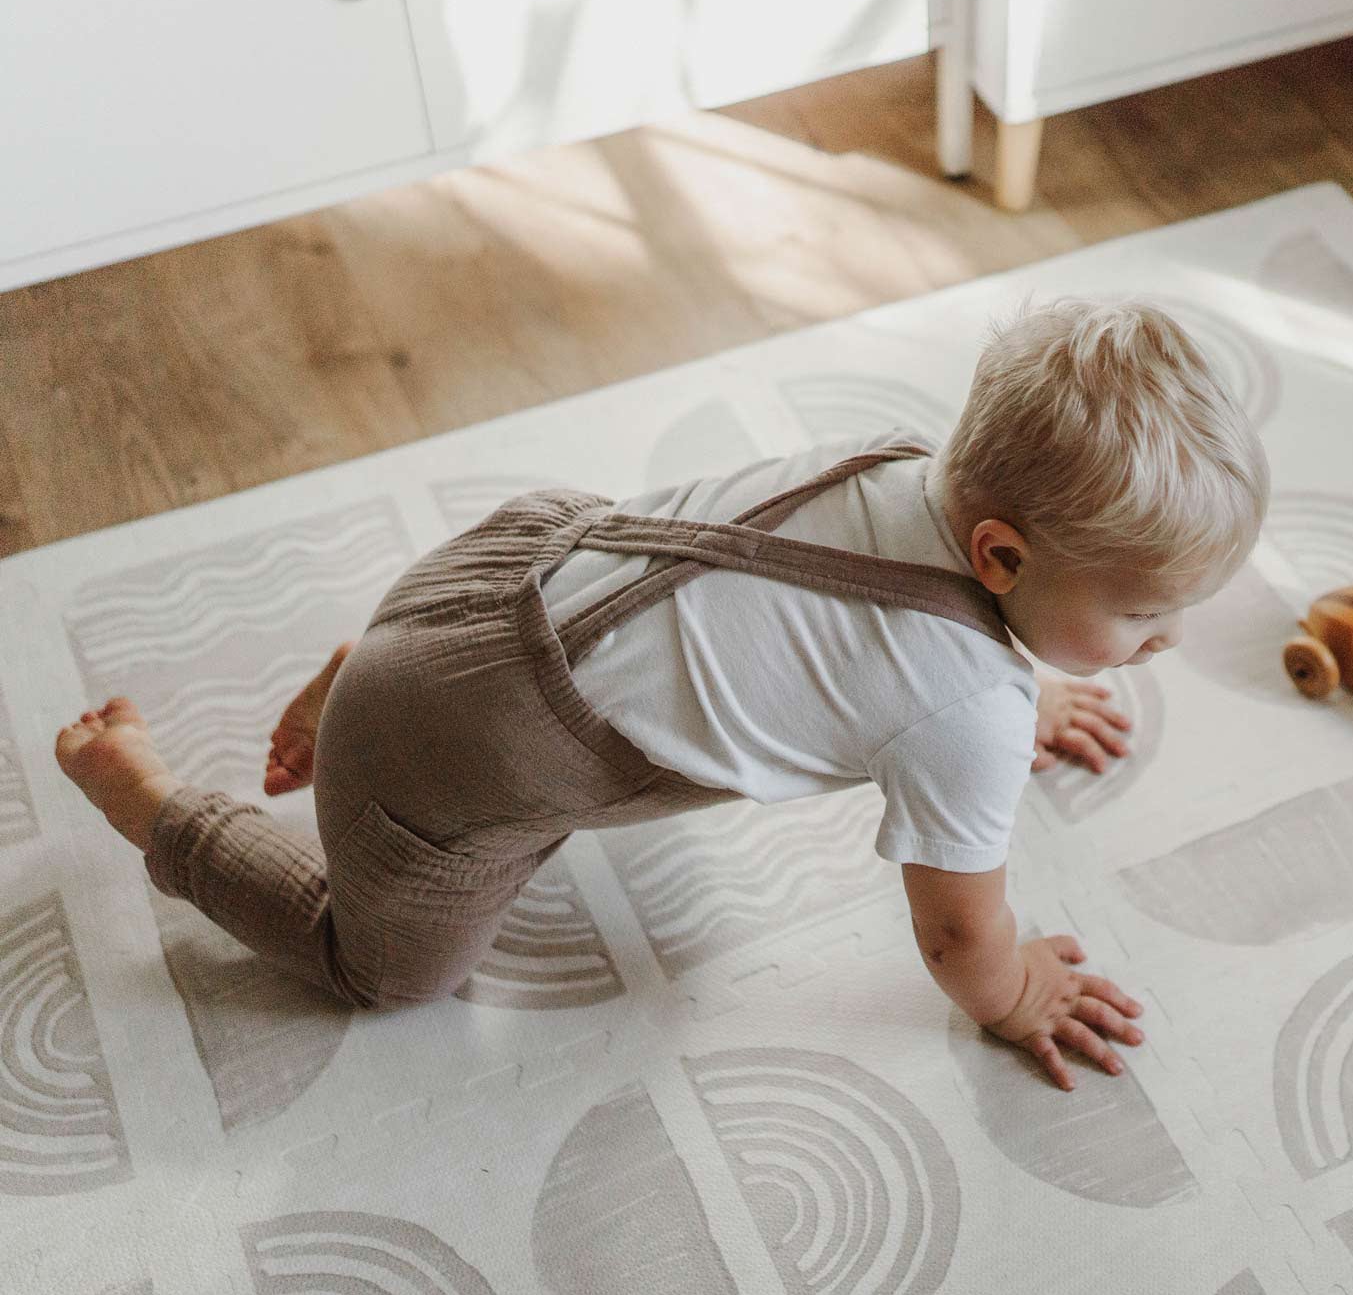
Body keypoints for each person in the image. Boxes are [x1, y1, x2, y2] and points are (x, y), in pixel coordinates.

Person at [56, 298, 1269, 1093]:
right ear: (1001, 560)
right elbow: (958, 932)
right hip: (461, 750)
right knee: (386, 977)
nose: (1165, 643)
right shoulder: (966, 719)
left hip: (501, 569)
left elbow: (906, 631)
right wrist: (1017, 993)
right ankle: (155, 806)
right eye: (1142, 613)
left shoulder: (908, 459)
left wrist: (1031, 678)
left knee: (515, 625)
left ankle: (358, 673)